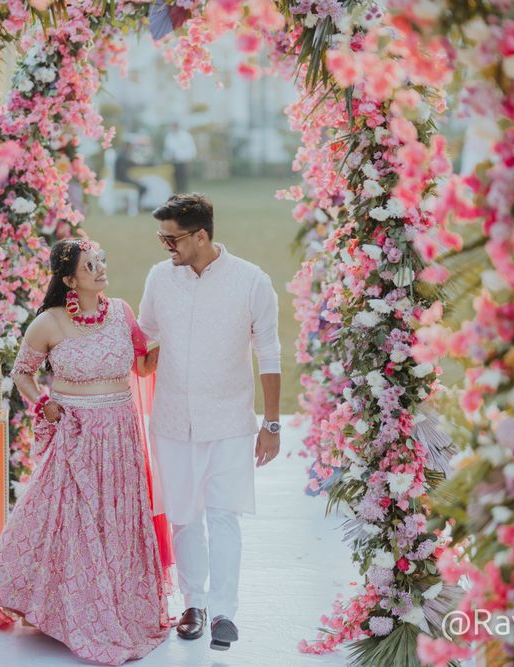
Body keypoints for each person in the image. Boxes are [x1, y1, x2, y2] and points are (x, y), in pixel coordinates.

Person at [0, 238, 173, 666]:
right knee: (73, 522)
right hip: (75, 434)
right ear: (69, 279)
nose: (100, 269)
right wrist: (42, 402)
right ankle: (71, 611)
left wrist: (175, 335)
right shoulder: (48, 322)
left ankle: (119, 605)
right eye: (89, 266)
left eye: (101, 260)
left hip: (120, 434)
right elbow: (22, 373)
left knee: (114, 520)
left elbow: (141, 366)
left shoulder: (121, 312)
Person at [138, 192, 281, 651]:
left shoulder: (252, 281)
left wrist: (272, 423)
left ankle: (223, 613)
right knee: (184, 518)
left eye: (173, 238)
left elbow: (270, 353)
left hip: (230, 421)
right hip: (173, 420)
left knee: (223, 517)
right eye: (162, 238)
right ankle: (193, 604)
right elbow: (147, 338)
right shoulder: (159, 279)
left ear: (201, 236)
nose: (166, 247)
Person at [162, 123, 197, 194]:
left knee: (183, 181)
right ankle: (176, 196)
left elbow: (191, 150)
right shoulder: (169, 136)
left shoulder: (186, 136)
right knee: (174, 181)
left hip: (183, 162)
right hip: (172, 162)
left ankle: (184, 196)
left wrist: (188, 159)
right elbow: (166, 150)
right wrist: (168, 156)